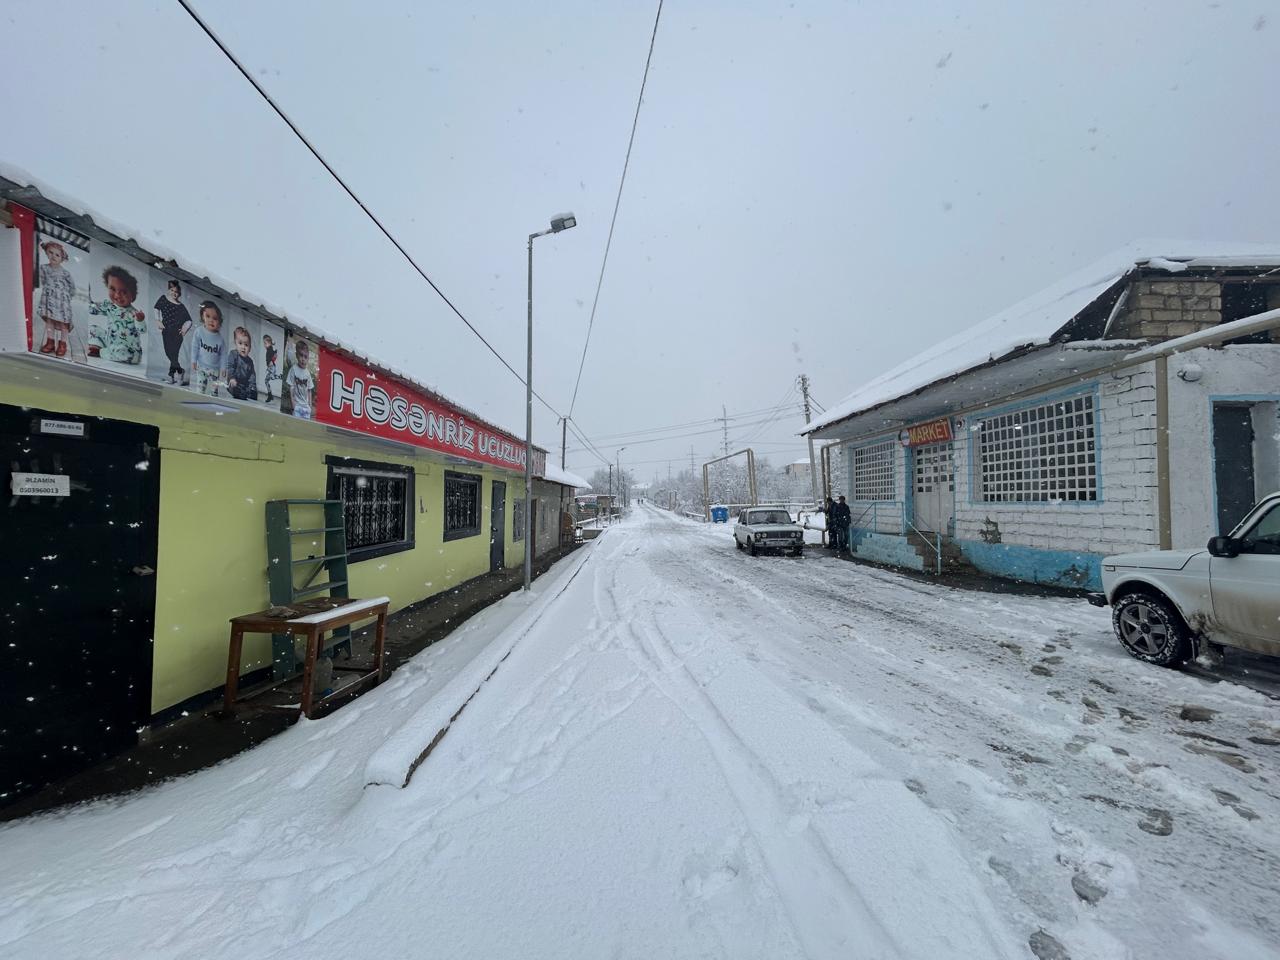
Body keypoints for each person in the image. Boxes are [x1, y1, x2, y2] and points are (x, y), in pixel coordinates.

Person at [87, 265, 146, 363]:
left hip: (127, 349)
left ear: (133, 296)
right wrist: (87, 295)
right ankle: (97, 346)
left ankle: (100, 352)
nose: (117, 295)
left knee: (124, 353)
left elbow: (142, 330)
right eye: (113, 289)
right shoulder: (109, 306)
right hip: (111, 342)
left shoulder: (133, 313)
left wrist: (140, 320)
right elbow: (92, 309)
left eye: (123, 292)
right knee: (94, 329)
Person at [36, 240, 75, 358]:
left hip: (62, 302)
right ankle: (50, 342)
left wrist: (65, 296)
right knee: (50, 321)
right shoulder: (44, 268)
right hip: (49, 300)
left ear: (62, 258)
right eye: (50, 252)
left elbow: (72, 288)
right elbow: (42, 280)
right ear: (47, 253)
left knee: (64, 324)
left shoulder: (65, 273)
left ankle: (63, 344)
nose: (53, 256)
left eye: (57, 255)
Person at [153, 279, 193, 384]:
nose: (174, 293)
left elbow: (189, 320)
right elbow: (156, 308)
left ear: (179, 293)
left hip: (177, 334)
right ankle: (180, 370)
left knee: (173, 354)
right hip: (166, 331)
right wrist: (157, 320)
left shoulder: (181, 306)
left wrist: (184, 329)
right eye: (172, 290)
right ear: (168, 290)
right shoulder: (163, 299)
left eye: (176, 292)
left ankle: (171, 376)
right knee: (168, 353)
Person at [190, 301, 227, 394]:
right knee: (200, 389)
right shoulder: (199, 332)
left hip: (215, 370)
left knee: (214, 391)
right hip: (201, 366)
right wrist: (193, 360)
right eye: (208, 316)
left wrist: (223, 368)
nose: (211, 320)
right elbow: (195, 347)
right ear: (202, 317)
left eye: (215, 318)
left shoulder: (220, 339)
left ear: (219, 322)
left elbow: (223, 355)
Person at [286, 338, 314, 419]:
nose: (303, 359)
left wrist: (310, 406)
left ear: (308, 358)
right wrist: (293, 403)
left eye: (305, 357)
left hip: (306, 407)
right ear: (297, 355)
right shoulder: (293, 369)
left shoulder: (307, 373)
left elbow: (309, 390)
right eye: (301, 355)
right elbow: (291, 387)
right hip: (297, 405)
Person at [262, 333, 279, 402]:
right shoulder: (269, 349)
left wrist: (272, 361)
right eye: (264, 343)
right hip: (270, 368)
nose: (264, 345)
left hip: (272, 368)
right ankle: (270, 395)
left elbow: (275, 356)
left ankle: (279, 376)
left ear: (269, 343)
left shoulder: (270, 349)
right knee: (266, 381)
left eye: (265, 343)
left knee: (271, 378)